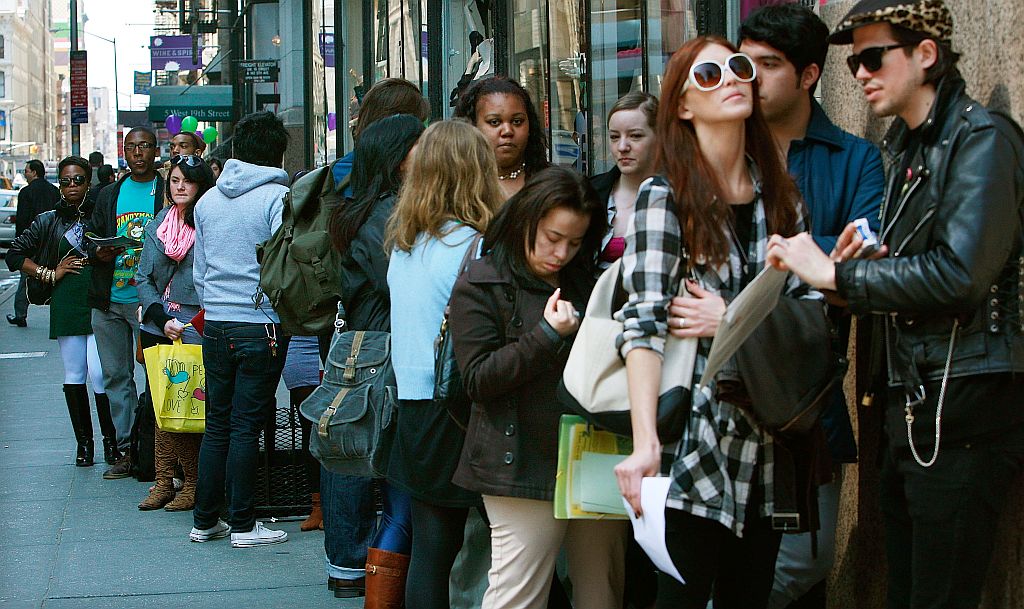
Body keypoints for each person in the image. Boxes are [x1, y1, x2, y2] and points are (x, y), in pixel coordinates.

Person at [766, 2, 1024, 608]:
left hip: (963, 402)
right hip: (913, 401)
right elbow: (914, 270)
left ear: (925, 54)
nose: (859, 72)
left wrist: (835, 272)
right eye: (853, 60)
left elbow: (961, 275)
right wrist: (854, 273)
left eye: (873, 56)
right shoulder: (909, 149)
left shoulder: (979, 139)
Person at [612, 36, 820, 608]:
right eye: (708, 75)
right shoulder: (665, 196)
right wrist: (645, 443)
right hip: (693, 444)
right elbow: (645, 323)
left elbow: (807, 316)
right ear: (682, 105)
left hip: (768, 440)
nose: (731, 79)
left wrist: (727, 317)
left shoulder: (784, 199)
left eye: (739, 67)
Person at [737, 5, 886, 606]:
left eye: (769, 66)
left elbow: (864, 261)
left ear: (808, 74)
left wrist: (805, 261)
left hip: (807, 393)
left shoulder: (854, 158)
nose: (751, 79)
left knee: (805, 560)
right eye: (746, 63)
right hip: (716, 386)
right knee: (722, 554)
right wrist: (814, 259)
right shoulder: (721, 147)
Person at [449, 165, 625, 609]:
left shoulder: (587, 281)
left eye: (575, 241)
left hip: (595, 446)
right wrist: (547, 336)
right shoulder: (483, 280)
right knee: (517, 594)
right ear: (526, 221)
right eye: (552, 238)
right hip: (519, 458)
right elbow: (477, 379)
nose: (561, 252)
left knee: (601, 588)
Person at [386, 119, 504, 609]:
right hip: (460, 408)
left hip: (414, 406)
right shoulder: (475, 245)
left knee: (432, 549)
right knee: (519, 545)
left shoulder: (406, 245)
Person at [326, 113, 425, 603]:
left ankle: (357, 573)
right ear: (396, 156)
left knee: (383, 476)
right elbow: (403, 280)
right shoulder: (383, 213)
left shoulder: (367, 208)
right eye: (418, 146)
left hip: (376, 351)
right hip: (386, 353)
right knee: (397, 487)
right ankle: (373, 585)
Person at [188, 111, 292, 548]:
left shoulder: (207, 201)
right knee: (247, 426)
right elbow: (284, 266)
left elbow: (200, 270)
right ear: (277, 153)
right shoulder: (278, 197)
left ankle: (205, 519)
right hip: (260, 323)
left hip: (216, 322)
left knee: (218, 425)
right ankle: (245, 524)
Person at [6, 156, 116, 466]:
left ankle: (111, 443)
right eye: (65, 180)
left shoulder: (101, 214)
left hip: (98, 297)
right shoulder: (47, 219)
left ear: (88, 181)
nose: (71, 186)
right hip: (66, 299)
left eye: (78, 180)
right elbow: (15, 254)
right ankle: (84, 446)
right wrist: (49, 273)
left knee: (99, 372)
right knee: (74, 373)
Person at [135, 154, 215, 512]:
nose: (180, 187)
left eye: (188, 181)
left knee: (187, 406)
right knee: (159, 404)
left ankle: (193, 483)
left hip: (195, 326)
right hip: (157, 323)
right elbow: (142, 278)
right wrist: (159, 315)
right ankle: (163, 481)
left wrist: (187, 322)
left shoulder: (210, 224)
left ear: (201, 186)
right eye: (175, 181)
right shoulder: (158, 225)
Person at [87, 126, 165, 479]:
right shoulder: (108, 194)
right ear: (124, 150)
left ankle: (158, 451)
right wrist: (99, 251)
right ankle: (125, 451)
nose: (138, 153)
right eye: (131, 147)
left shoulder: (165, 189)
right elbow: (92, 237)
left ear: (155, 150)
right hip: (110, 299)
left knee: (158, 377)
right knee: (116, 376)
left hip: (151, 302)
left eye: (144, 146)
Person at [589, 91, 659, 268]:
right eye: (614, 137)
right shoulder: (588, 193)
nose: (622, 147)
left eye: (635, 136)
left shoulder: (682, 196)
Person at [454, 76, 550, 199]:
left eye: (517, 121)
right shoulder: (456, 186)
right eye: (494, 122)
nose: (507, 131)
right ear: (473, 126)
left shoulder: (552, 184)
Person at [8, 159, 59, 327]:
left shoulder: (26, 192)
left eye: (27, 171)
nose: (25, 173)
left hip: (32, 242)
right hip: (53, 241)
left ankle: (20, 314)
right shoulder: (54, 191)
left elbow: (22, 220)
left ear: (35, 172)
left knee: (26, 278)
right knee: (57, 279)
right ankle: (57, 313)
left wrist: (20, 243)